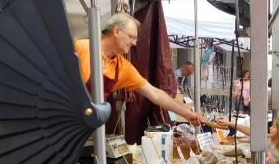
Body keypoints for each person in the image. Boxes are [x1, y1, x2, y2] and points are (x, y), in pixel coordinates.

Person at [75, 12, 206, 126]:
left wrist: (187, 114)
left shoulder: (121, 67)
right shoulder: (81, 48)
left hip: (85, 125)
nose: (134, 43)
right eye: (131, 36)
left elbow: (155, 93)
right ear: (116, 31)